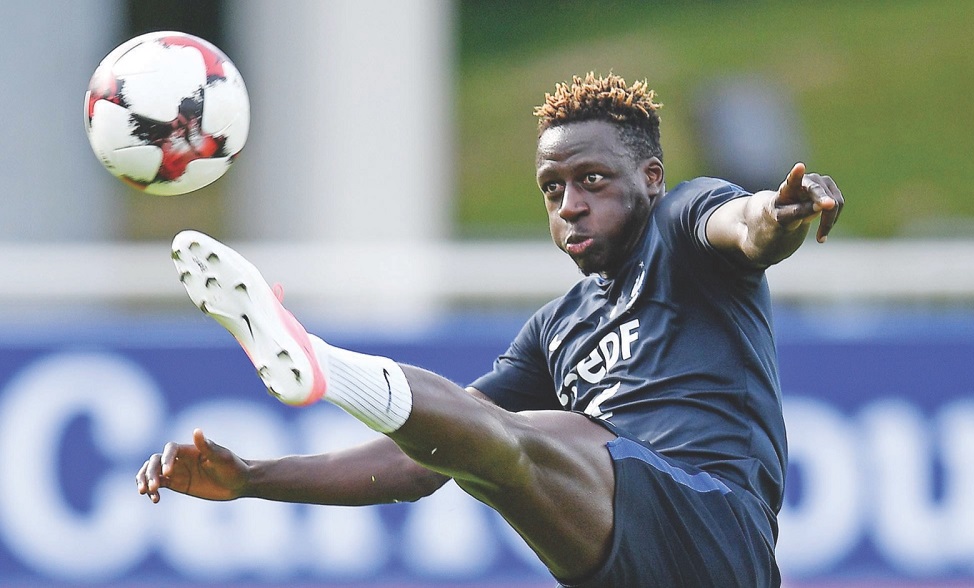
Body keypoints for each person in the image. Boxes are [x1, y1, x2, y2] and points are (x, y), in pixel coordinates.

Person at [137, 72, 843, 587]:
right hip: (621, 566)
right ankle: (322, 366)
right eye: (552, 187)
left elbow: (746, 228)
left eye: (593, 180)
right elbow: (418, 465)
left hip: (717, 532)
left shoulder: (682, 223)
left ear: (650, 178)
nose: (569, 205)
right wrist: (254, 478)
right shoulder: (556, 330)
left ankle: (320, 361)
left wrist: (779, 217)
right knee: (477, 445)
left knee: (521, 440)